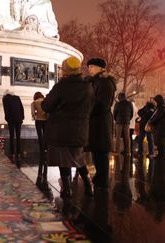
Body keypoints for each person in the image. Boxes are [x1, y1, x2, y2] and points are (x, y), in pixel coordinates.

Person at [41, 56, 95, 197]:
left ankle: (67, 189)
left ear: (65, 70)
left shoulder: (61, 86)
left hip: (61, 130)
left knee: (62, 159)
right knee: (79, 158)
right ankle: (89, 185)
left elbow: (46, 105)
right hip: (80, 130)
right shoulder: (88, 87)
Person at [86, 57, 117, 190]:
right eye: (88, 67)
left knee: (101, 151)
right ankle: (99, 177)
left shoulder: (105, 82)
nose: (89, 69)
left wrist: (87, 112)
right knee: (96, 150)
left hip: (101, 120)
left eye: (92, 66)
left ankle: (102, 180)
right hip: (96, 119)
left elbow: (102, 104)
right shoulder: (95, 81)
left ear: (100, 68)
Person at [2, 89, 24, 165]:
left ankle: (12, 153)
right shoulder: (17, 97)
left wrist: (7, 118)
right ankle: (18, 153)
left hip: (11, 119)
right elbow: (21, 108)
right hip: (19, 119)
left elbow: (6, 110)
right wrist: (22, 117)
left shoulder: (5, 98)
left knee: (12, 136)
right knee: (18, 136)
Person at [31, 91, 48, 187]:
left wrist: (36, 115)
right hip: (46, 120)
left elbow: (33, 114)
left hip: (38, 121)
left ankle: (42, 150)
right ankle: (46, 149)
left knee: (40, 136)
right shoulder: (45, 101)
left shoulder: (34, 103)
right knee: (45, 136)